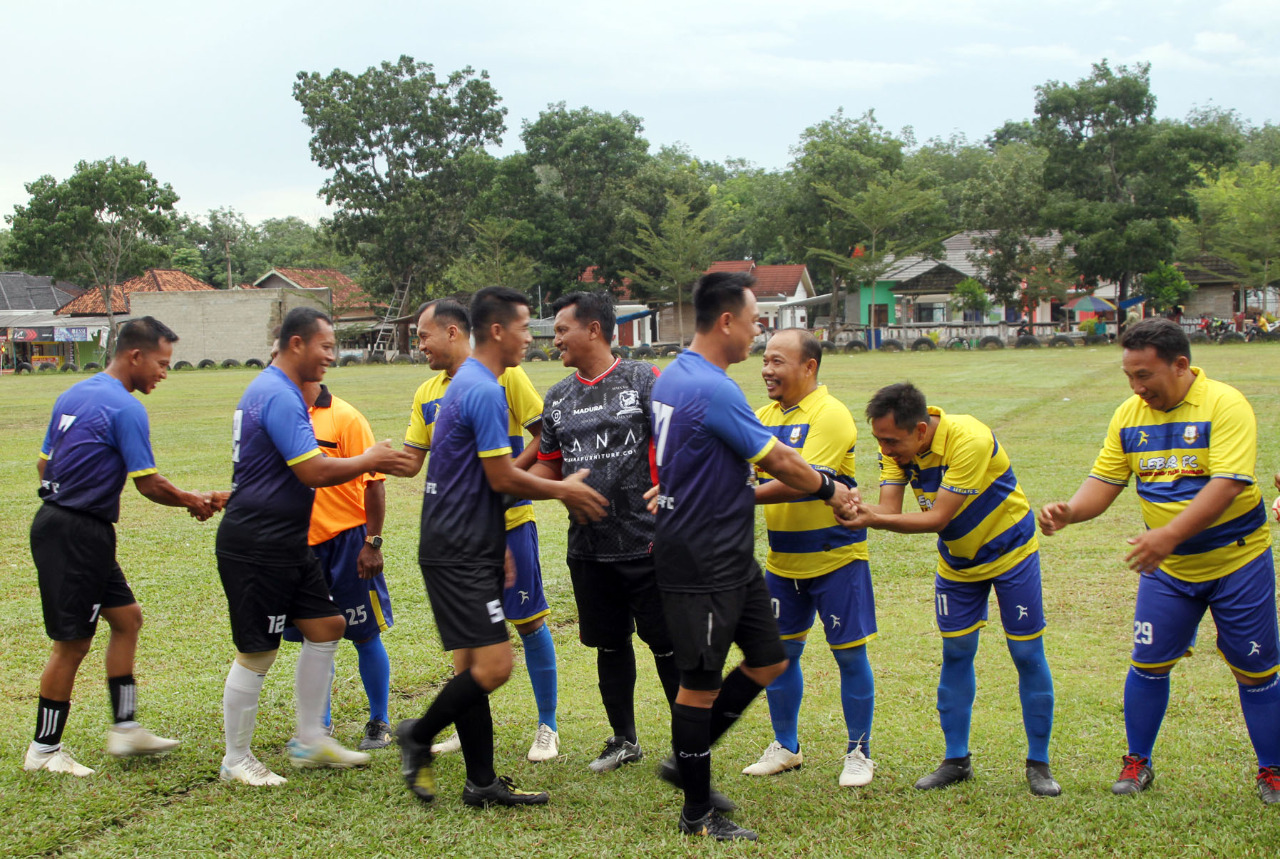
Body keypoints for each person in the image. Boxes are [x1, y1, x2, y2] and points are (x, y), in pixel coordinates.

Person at [1038, 318, 1280, 804]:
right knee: (1148, 664)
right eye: (1129, 375)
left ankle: (1272, 770)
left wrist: (1167, 534)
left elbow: (1228, 482)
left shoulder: (1225, 405)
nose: (1136, 386)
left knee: (1255, 670)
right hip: (1168, 569)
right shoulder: (1129, 416)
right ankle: (1138, 762)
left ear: (1181, 365)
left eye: (1144, 375)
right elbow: (1104, 481)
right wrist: (1071, 511)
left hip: (1238, 562)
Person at [650, 271, 855, 841]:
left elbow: (692, 455)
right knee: (700, 685)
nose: (757, 333)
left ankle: (685, 760)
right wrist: (832, 489)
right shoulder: (712, 387)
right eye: (754, 320)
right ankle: (697, 812)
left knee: (768, 658)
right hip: (700, 556)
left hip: (730, 553)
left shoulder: (676, 376)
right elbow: (782, 463)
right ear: (726, 322)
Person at [392, 287, 607, 809]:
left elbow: (478, 482)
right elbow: (499, 473)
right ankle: (416, 733)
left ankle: (481, 782)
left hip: (465, 541)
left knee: (470, 665)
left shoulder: (470, 384)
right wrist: (564, 489)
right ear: (496, 331)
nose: (530, 339)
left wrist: (498, 543)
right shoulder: (484, 390)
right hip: (458, 548)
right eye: (523, 328)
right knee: (493, 669)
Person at [838, 382, 1060, 797]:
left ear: (921, 430)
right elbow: (889, 511)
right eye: (878, 440)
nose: (884, 450)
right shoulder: (898, 449)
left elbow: (937, 517)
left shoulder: (968, 439)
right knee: (956, 653)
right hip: (958, 562)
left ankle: (1039, 764)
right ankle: (956, 760)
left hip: (1011, 553)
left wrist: (870, 519)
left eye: (891, 441)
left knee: (1027, 653)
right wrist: (858, 508)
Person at [216, 307, 407, 786]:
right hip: (258, 541)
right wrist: (372, 458)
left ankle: (310, 739)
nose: (331, 356)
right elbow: (313, 471)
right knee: (257, 652)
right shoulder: (277, 394)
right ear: (296, 343)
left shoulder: (276, 392)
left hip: (287, 540)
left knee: (328, 625)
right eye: (325, 346)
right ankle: (236, 758)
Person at [26, 317, 218, 777]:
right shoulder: (125, 408)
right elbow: (149, 485)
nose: (164, 373)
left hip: (69, 526)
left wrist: (69, 499)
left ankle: (125, 727)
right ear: (135, 355)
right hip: (77, 534)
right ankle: (44, 750)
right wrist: (192, 500)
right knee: (71, 644)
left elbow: (42, 463)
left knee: (127, 619)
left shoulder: (73, 393)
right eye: (161, 363)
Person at [398, 298, 562, 762]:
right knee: (471, 645)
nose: (419, 344)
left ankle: (547, 725)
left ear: (454, 332)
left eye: (423, 334)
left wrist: (510, 480)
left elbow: (543, 432)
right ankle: (462, 727)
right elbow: (414, 461)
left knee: (529, 621)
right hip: (466, 536)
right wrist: (359, 463)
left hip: (508, 523)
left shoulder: (503, 376)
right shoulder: (430, 391)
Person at [527, 291, 680, 773]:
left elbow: (679, 446)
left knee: (667, 645)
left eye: (561, 330)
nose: (555, 341)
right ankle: (623, 740)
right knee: (610, 646)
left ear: (593, 329)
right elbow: (549, 470)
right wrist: (527, 487)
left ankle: (688, 741)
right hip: (589, 549)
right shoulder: (557, 397)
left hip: (649, 542)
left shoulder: (644, 379)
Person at [742, 328, 877, 789]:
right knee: (780, 657)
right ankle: (786, 747)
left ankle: (858, 751)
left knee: (849, 657)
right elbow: (738, 469)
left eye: (777, 361)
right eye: (764, 359)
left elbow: (802, 479)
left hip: (836, 559)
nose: (766, 369)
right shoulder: (760, 416)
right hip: (783, 565)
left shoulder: (832, 415)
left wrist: (736, 497)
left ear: (809, 366)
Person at [280, 380, 395, 751]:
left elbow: (374, 484)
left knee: (364, 634)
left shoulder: (345, 417)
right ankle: (319, 724)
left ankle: (379, 720)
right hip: (300, 547)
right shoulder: (283, 417)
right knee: (315, 638)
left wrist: (372, 543)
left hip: (347, 542)